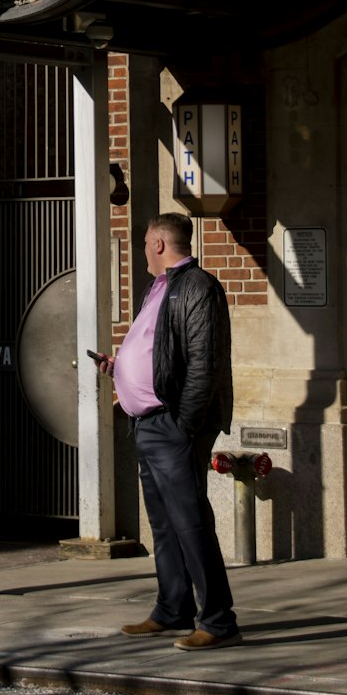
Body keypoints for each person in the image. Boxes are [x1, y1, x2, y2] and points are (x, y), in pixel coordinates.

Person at [93, 212, 240, 650]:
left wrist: (184, 425)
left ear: (158, 243)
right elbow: (160, 354)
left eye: (144, 243)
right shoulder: (157, 288)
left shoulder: (198, 287)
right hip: (148, 424)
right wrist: (120, 370)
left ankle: (217, 620)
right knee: (162, 524)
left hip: (174, 424)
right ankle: (172, 609)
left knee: (190, 522)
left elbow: (205, 363)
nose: (142, 251)